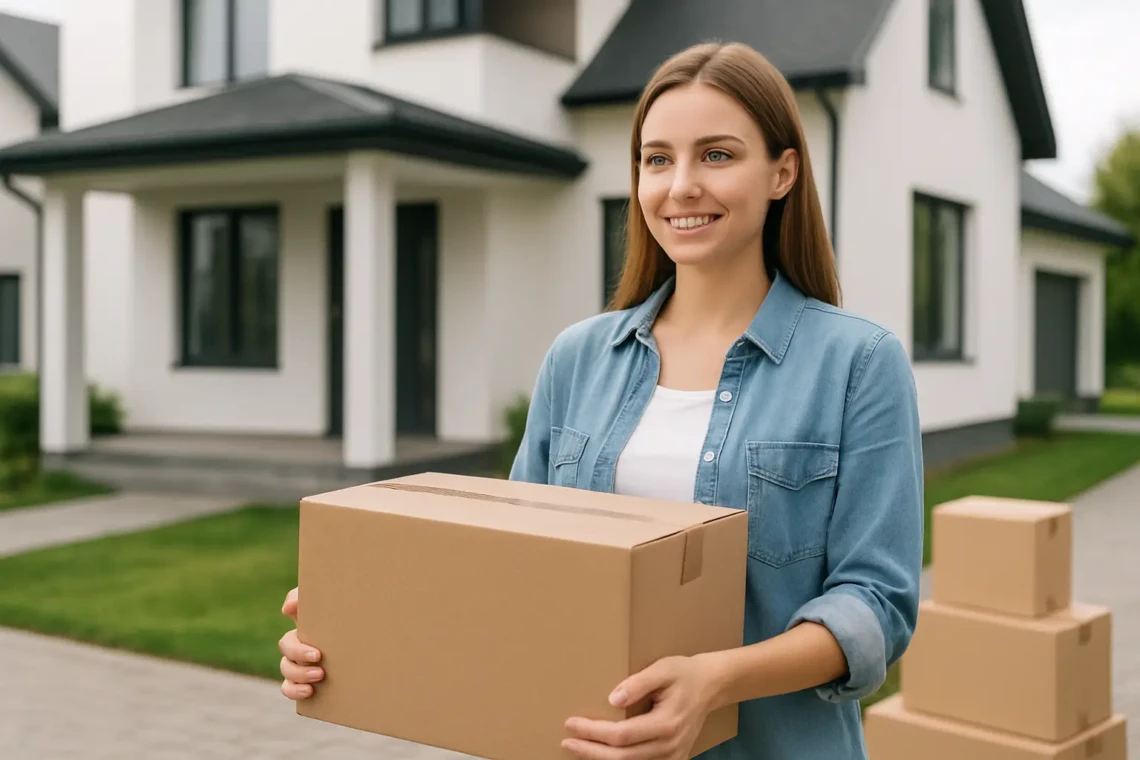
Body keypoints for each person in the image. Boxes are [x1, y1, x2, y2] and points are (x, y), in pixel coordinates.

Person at [278, 41, 924, 760]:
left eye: (716, 155)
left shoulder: (859, 364)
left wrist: (716, 680)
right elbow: (514, 572)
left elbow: (877, 605)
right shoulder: (578, 358)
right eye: (657, 159)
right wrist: (358, 621)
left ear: (782, 172)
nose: (680, 186)